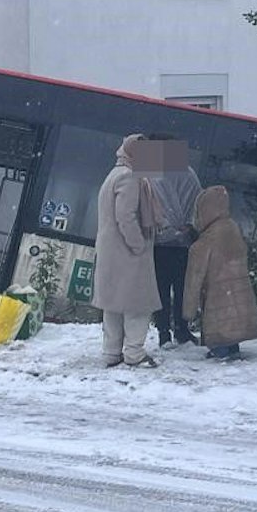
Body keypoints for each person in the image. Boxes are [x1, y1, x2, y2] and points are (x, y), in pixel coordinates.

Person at [94, 134, 163, 367]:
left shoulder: (114, 174)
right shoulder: (130, 177)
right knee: (138, 305)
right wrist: (138, 245)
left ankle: (111, 353)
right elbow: (125, 216)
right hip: (127, 252)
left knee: (114, 305)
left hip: (112, 251)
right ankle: (134, 353)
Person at [182, 186, 257, 361]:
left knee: (220, 326)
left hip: (217, 298)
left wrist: (188, 312)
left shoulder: (205, 241)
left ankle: (220, 351)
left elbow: (193, 279)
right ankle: (233, 347)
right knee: (235, 320)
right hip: (238, 293)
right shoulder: (233, 228)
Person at [146, 135, 203, 348]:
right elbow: (198, 202)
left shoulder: (151, 174)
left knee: (160, 289)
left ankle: (163, 332)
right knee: (182, 289)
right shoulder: (188, 173)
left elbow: (145, 204)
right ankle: (181, 328)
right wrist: (187, 228)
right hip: (183, 244)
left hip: (158, 244)